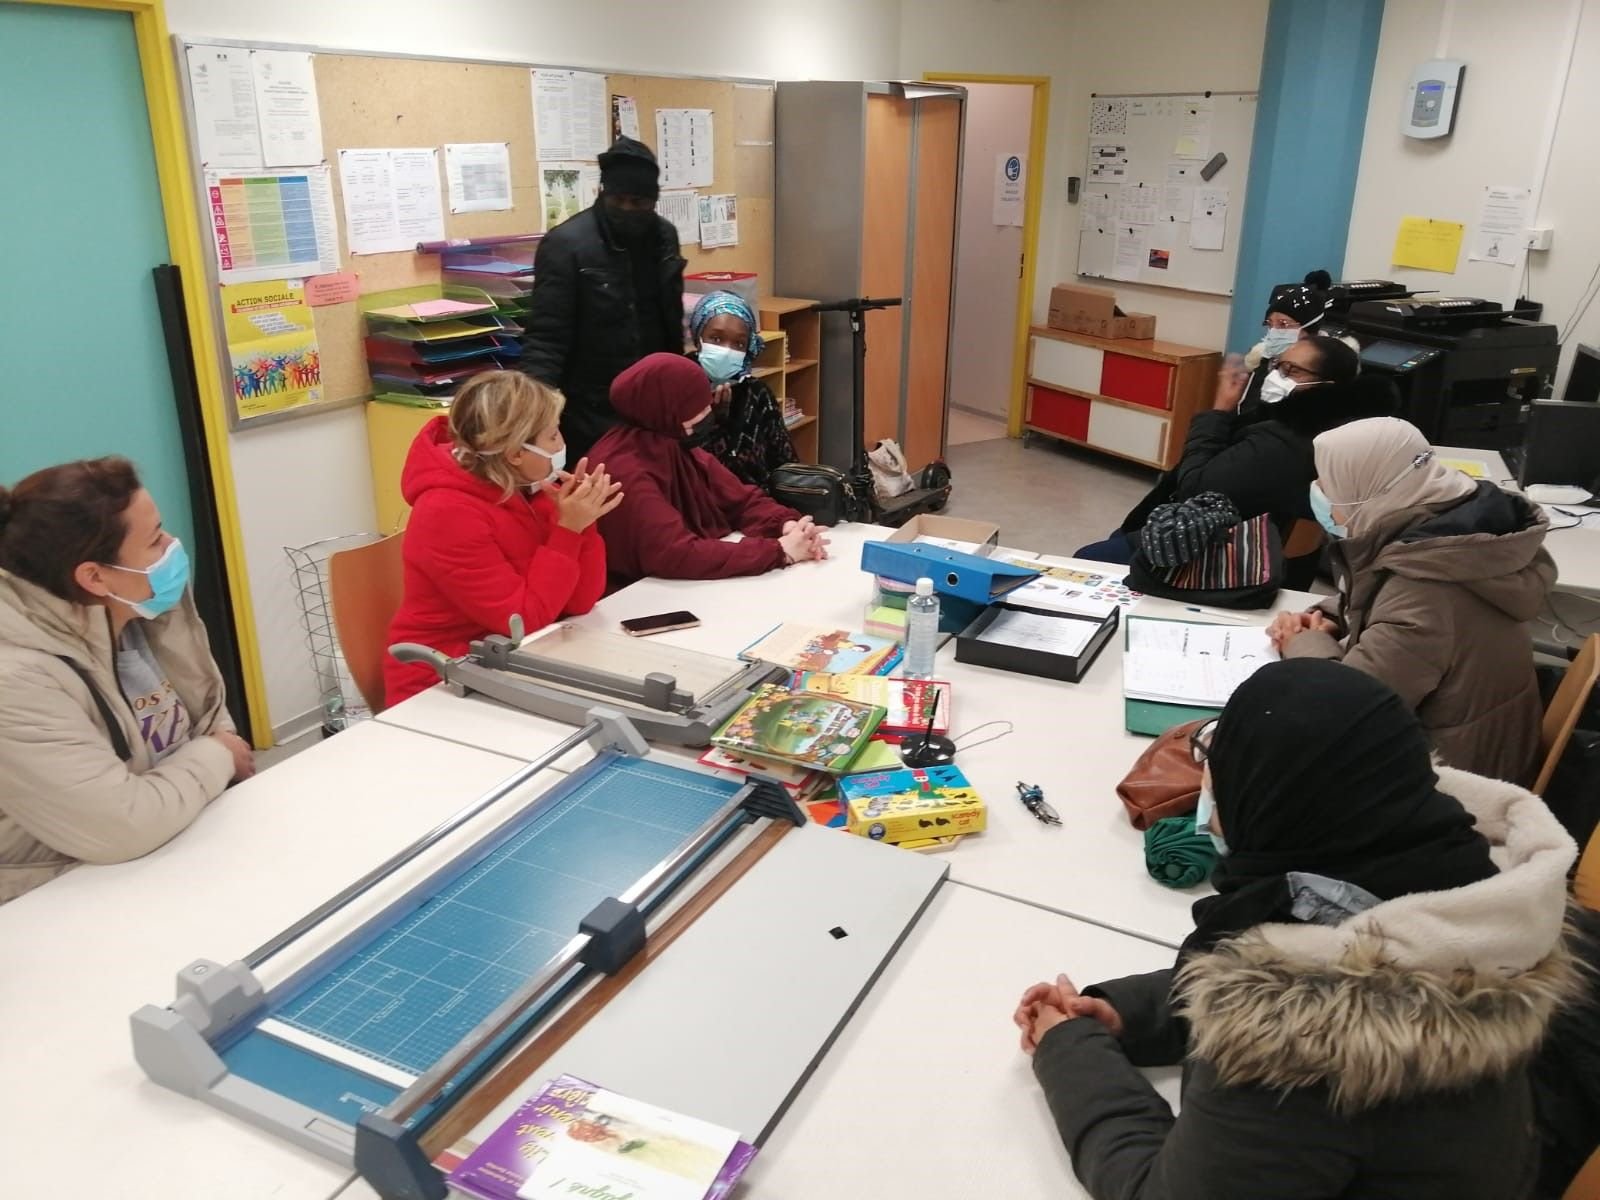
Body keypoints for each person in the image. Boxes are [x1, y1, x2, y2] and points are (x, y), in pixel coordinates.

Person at [1013, 658, 1577, 1199]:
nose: (1208, 790)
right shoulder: (1450, 895)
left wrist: (1070, 1054)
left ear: (1274, 803)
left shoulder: (1307, 1050)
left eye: (1221, 766)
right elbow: (1315, 959)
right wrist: (1129, 1013)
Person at [0, 457, 254, 903]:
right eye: (155, 540)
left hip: (172, 854)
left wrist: (218, 753)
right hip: (57, 898)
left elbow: (209, 720)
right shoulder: (15, 680)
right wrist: (218, 757)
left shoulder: (142, 609)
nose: (173, 547)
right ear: (94, 576)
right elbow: (123, 825)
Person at [1269, 416, 1554, 784]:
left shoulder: (1423, 590)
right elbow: (1383, 600)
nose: (1319, 490)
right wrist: (1330, 617)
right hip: (1481, 754)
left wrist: (1301, 642)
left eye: (1328, 481)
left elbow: (1343, 713)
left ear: (1368, 488)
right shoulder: (1450, 535)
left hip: (1451, 788)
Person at [1076, 336, 1393, 588]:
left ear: (1328, 385)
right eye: (1276, 367)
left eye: (1292, 371)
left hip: (1214, 554)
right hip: (1257, 550)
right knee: (1118, 539)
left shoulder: (1284, 443)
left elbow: (1194, 488)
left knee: (1085, 561)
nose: (1276, 377)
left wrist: (1219, 410)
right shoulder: (1330, 431)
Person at [384, 371, 618, 708]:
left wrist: (582, 522)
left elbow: (579, 603)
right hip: (441, 681)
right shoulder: (446, 513)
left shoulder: (531, 489)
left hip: (508, 662)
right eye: (552, 436)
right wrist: (568, 531)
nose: (561, 444)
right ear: (515, 454)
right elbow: (523, 621)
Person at [589, 353, 827, 591]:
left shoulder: (672, 443)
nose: (707, 414)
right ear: (667, 407)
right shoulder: (621, 469)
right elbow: (675, 553)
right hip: (636, 595)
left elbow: (742, 499)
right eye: (695, 407)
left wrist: (788, 526)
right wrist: (779, 551)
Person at [521, 136, 687, 460]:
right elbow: (545, 337)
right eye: (617, 199)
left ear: (653, 201)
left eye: (637, 202)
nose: (626, 209)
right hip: (589, 408)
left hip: (654, 404)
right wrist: (533, 413)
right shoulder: (566, 244)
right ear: (602, 192)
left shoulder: (664, 237)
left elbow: (670, 322)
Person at [688, 291, 797, 490]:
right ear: (698, 338)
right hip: (699, 510)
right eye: (716, 339)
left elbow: (787, 466)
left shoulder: (757, 394)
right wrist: (714, 421)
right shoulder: (678, 390)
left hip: (759, 507)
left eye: (739, 343)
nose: (727, 350)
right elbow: (684, 468)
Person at [1236, 269, 1332, 419]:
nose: (1274, 331)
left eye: (1283, 324)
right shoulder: (1264, 362)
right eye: (1270, 324)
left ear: (1309, 328)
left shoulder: (1320, 375)